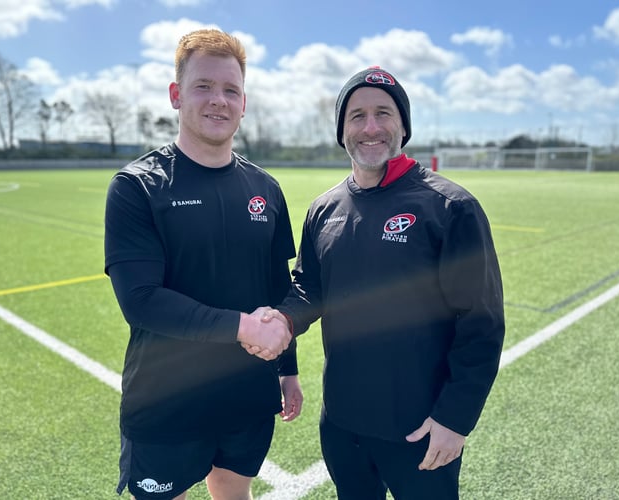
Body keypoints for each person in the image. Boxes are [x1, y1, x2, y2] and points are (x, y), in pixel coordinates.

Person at [261, 67, 505, 499]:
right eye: (356, 116)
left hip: (421, 428)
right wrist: (282, 320)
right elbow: (309, 289)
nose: (370, 127)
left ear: (403, 126)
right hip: (341, 425)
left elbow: (481, 323)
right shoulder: (323, 209)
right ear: (342, 131)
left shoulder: (450, 207)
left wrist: (455, 419)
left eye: (383, 113)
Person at [104, 29, 303, 500]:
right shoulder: (137, 187)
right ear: (176, 95)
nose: (219, 100)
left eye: (230, 90)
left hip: (247, 397)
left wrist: (287, 368)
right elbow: (141, 301)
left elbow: (276, 287)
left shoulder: (266, 190)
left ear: (244, 102)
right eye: (204, 87)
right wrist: (243, 328)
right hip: (167, 401)